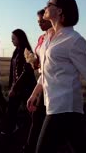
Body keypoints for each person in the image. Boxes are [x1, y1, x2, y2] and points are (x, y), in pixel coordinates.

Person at [26, 0, 86, 153]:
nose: (45, 7)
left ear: (60, 11)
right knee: (81, 147)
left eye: (50, 3)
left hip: (65, 105)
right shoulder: (48, 39)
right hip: (53, 105)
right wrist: (35, 94)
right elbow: (47, 72)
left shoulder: (74, 40)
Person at [21, 9, 52, 153]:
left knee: (46, 119)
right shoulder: (41, 38)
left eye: (42, 21)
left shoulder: (57, 36)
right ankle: (30, 146)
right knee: (38, 117)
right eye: (38, 22)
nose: (39, 24)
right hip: (43, 83)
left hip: (54, 85)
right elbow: (40, 63)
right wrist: (34, 62)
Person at [1, 29, 37, 135]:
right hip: (17, 87)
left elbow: (26, 71)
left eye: (13, 38)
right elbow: (13, 71)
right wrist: (11, 85)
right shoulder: (16, 51)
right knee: (11, 109)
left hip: (27, 88)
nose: (11, 40)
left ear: (20, 39)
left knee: (32, 111)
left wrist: (14, 87)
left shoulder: (27, 51)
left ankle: (39, 131)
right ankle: (10, 129)